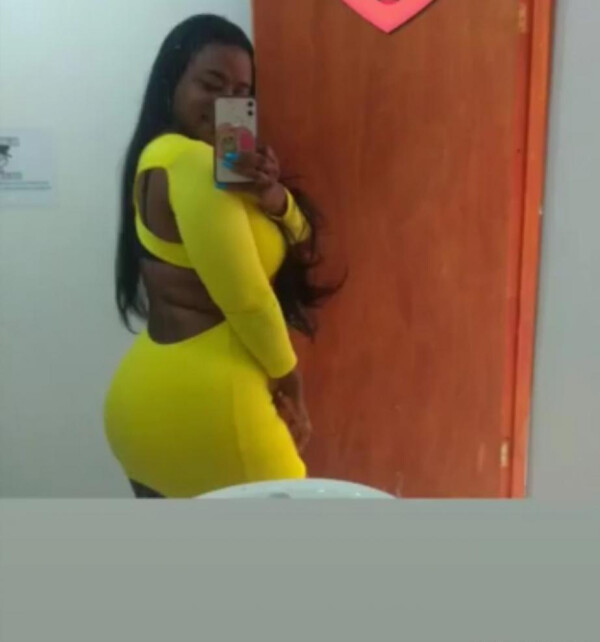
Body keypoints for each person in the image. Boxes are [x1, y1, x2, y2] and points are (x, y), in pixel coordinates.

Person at [104, 15, 334, 498]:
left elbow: (302, 233)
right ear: (171, 83)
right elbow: (246, 297)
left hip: (144, 400)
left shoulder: (160, 158)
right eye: (210, 85)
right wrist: (288, 378)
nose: (225, 102)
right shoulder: (192, 163)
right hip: (212, 410)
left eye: (240, 92)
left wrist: (270, 196)